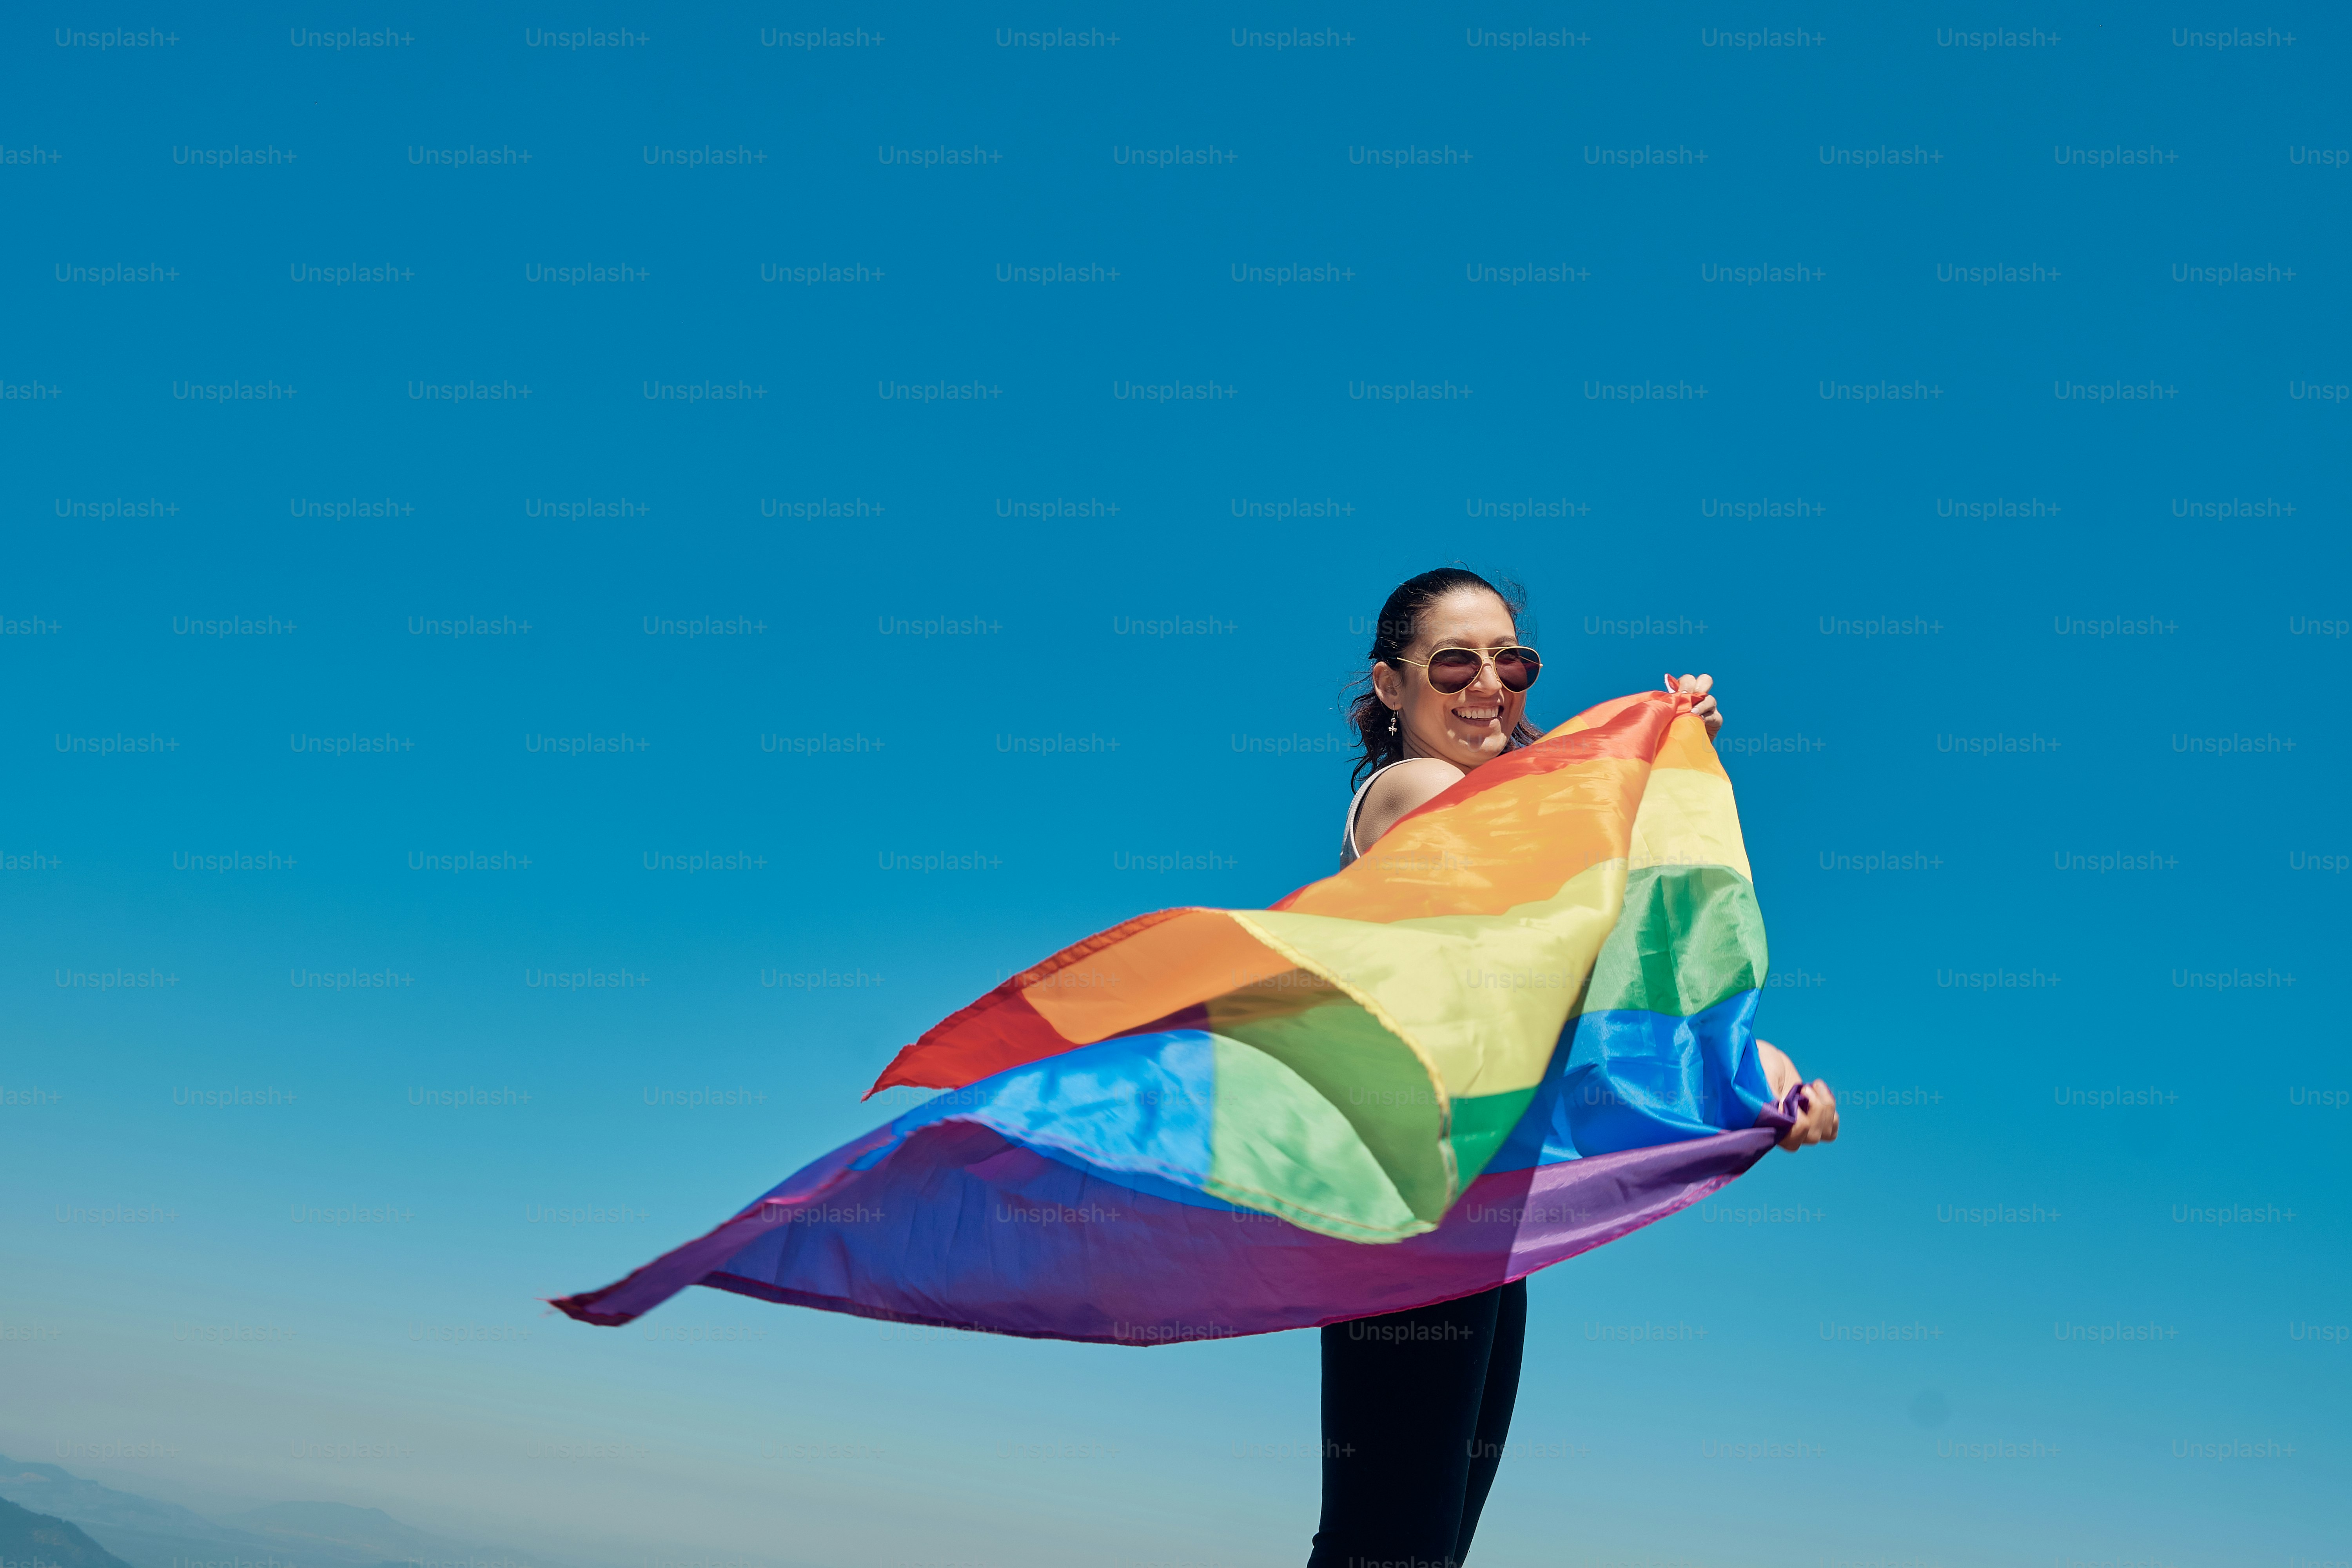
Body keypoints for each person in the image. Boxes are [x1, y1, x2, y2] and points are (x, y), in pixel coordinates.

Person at [1308, 566, 1839, 1567]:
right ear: (1391, 687)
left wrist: (1665, 758)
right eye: (1454, 661)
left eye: (1513, 662)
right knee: (1393, 1544)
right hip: (1412, 1212)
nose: (1488, 685)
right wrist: (1639, 760)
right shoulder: (1408, 790)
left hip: (1480, 1226)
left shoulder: (1525, 807)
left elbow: (1598, 973)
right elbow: (1537, 861)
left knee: (1420, 1541)